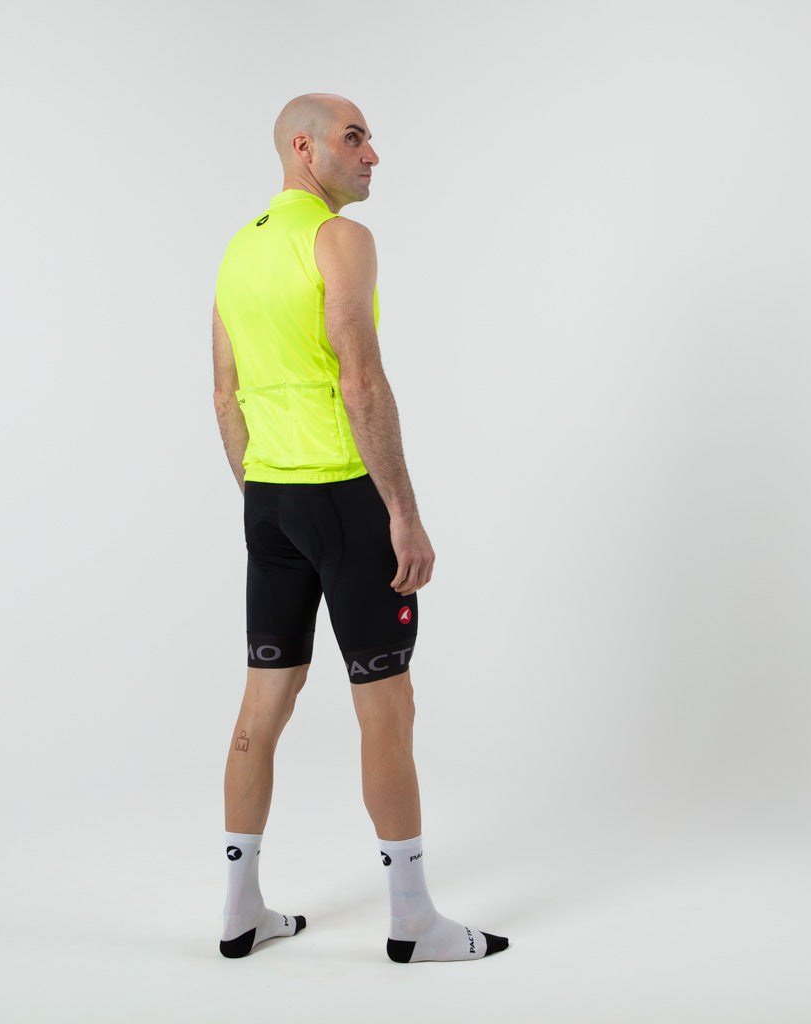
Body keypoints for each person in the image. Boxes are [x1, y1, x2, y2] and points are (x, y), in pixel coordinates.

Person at [211, 93, 508, 963]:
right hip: (345, 500)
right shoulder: (340, 238)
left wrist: (265, 500)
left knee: (264, 702)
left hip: (269, 498)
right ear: (304, 148)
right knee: (388, 708)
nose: (372, 153)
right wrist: (401, 515)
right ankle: (413, 922)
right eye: (355, 138)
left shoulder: (238, 249)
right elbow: (362, 381)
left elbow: (224, 394)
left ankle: (238, 911)